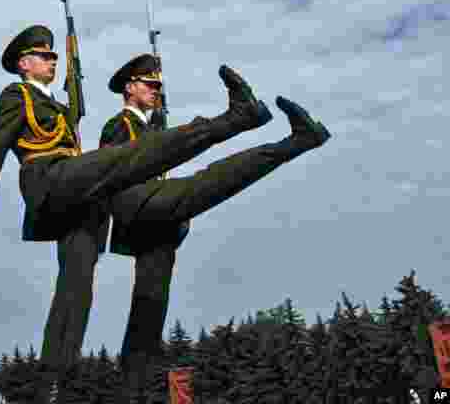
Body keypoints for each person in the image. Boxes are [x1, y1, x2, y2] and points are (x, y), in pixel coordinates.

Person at [0, 25, 273, 393]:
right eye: (45, 56)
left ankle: (54, 381)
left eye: (53, 55)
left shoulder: (59, 107)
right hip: (50, 178)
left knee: (77, 284)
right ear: (24, 63)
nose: (53, 61)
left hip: (79, 200)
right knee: (134, 155)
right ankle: (238, 118)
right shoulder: (17, 96)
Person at [100, 53, 331, 403]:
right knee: (215, 178)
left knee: (148, 313)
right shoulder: (119, 125)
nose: (156, 91)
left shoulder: (152, 125)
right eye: (150, 85)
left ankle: (132, 394)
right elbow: (112, 171)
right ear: (130, 88)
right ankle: (294, 140)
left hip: (159, 225)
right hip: (141, 207)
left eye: (160, 86)